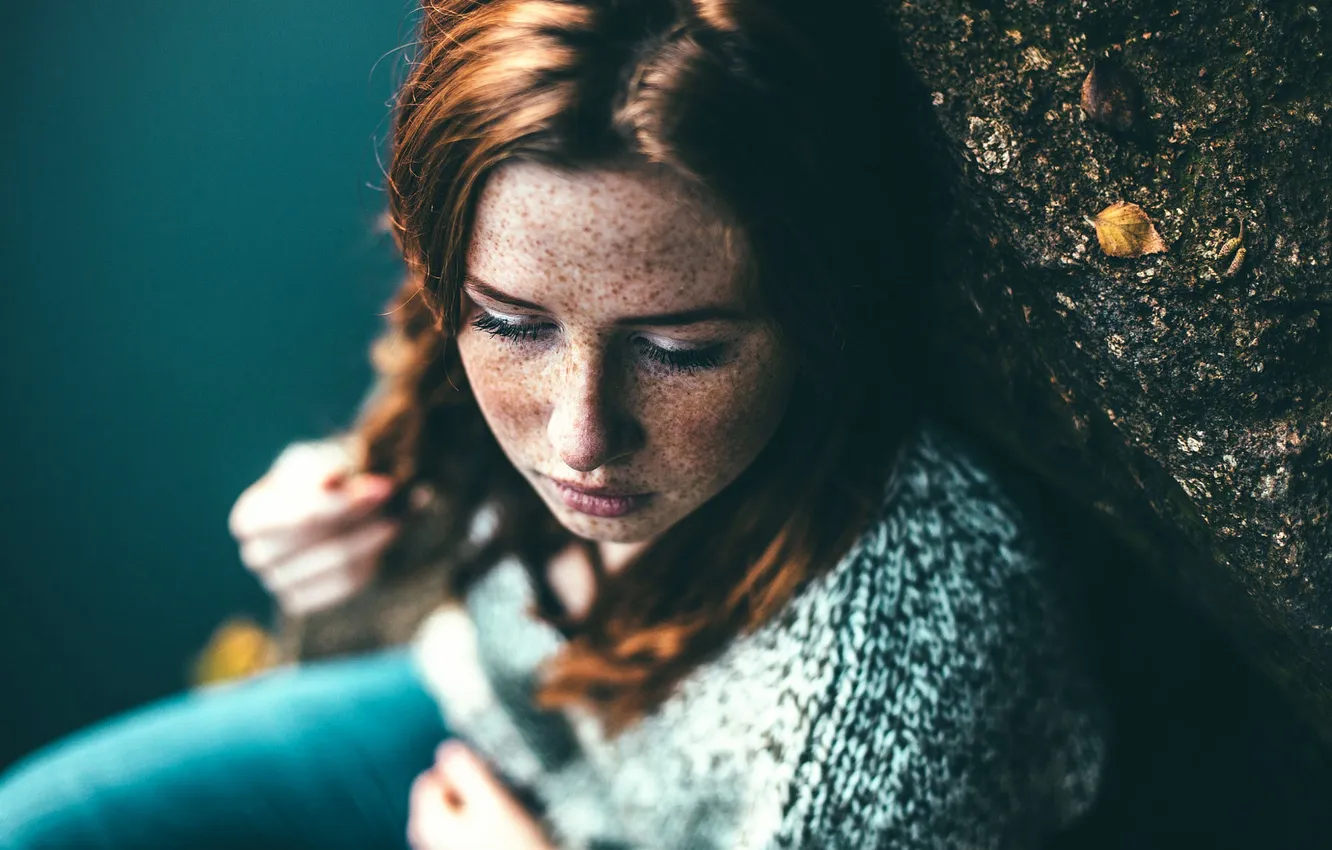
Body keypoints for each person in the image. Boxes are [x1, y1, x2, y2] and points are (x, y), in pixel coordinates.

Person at [0, 0, 1107, 847]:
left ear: (825, 306)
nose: (580, 435)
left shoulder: (900, 660)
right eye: (512, 325)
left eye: (681, 350)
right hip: (468, 716)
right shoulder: (489, 306)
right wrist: (348, 530)